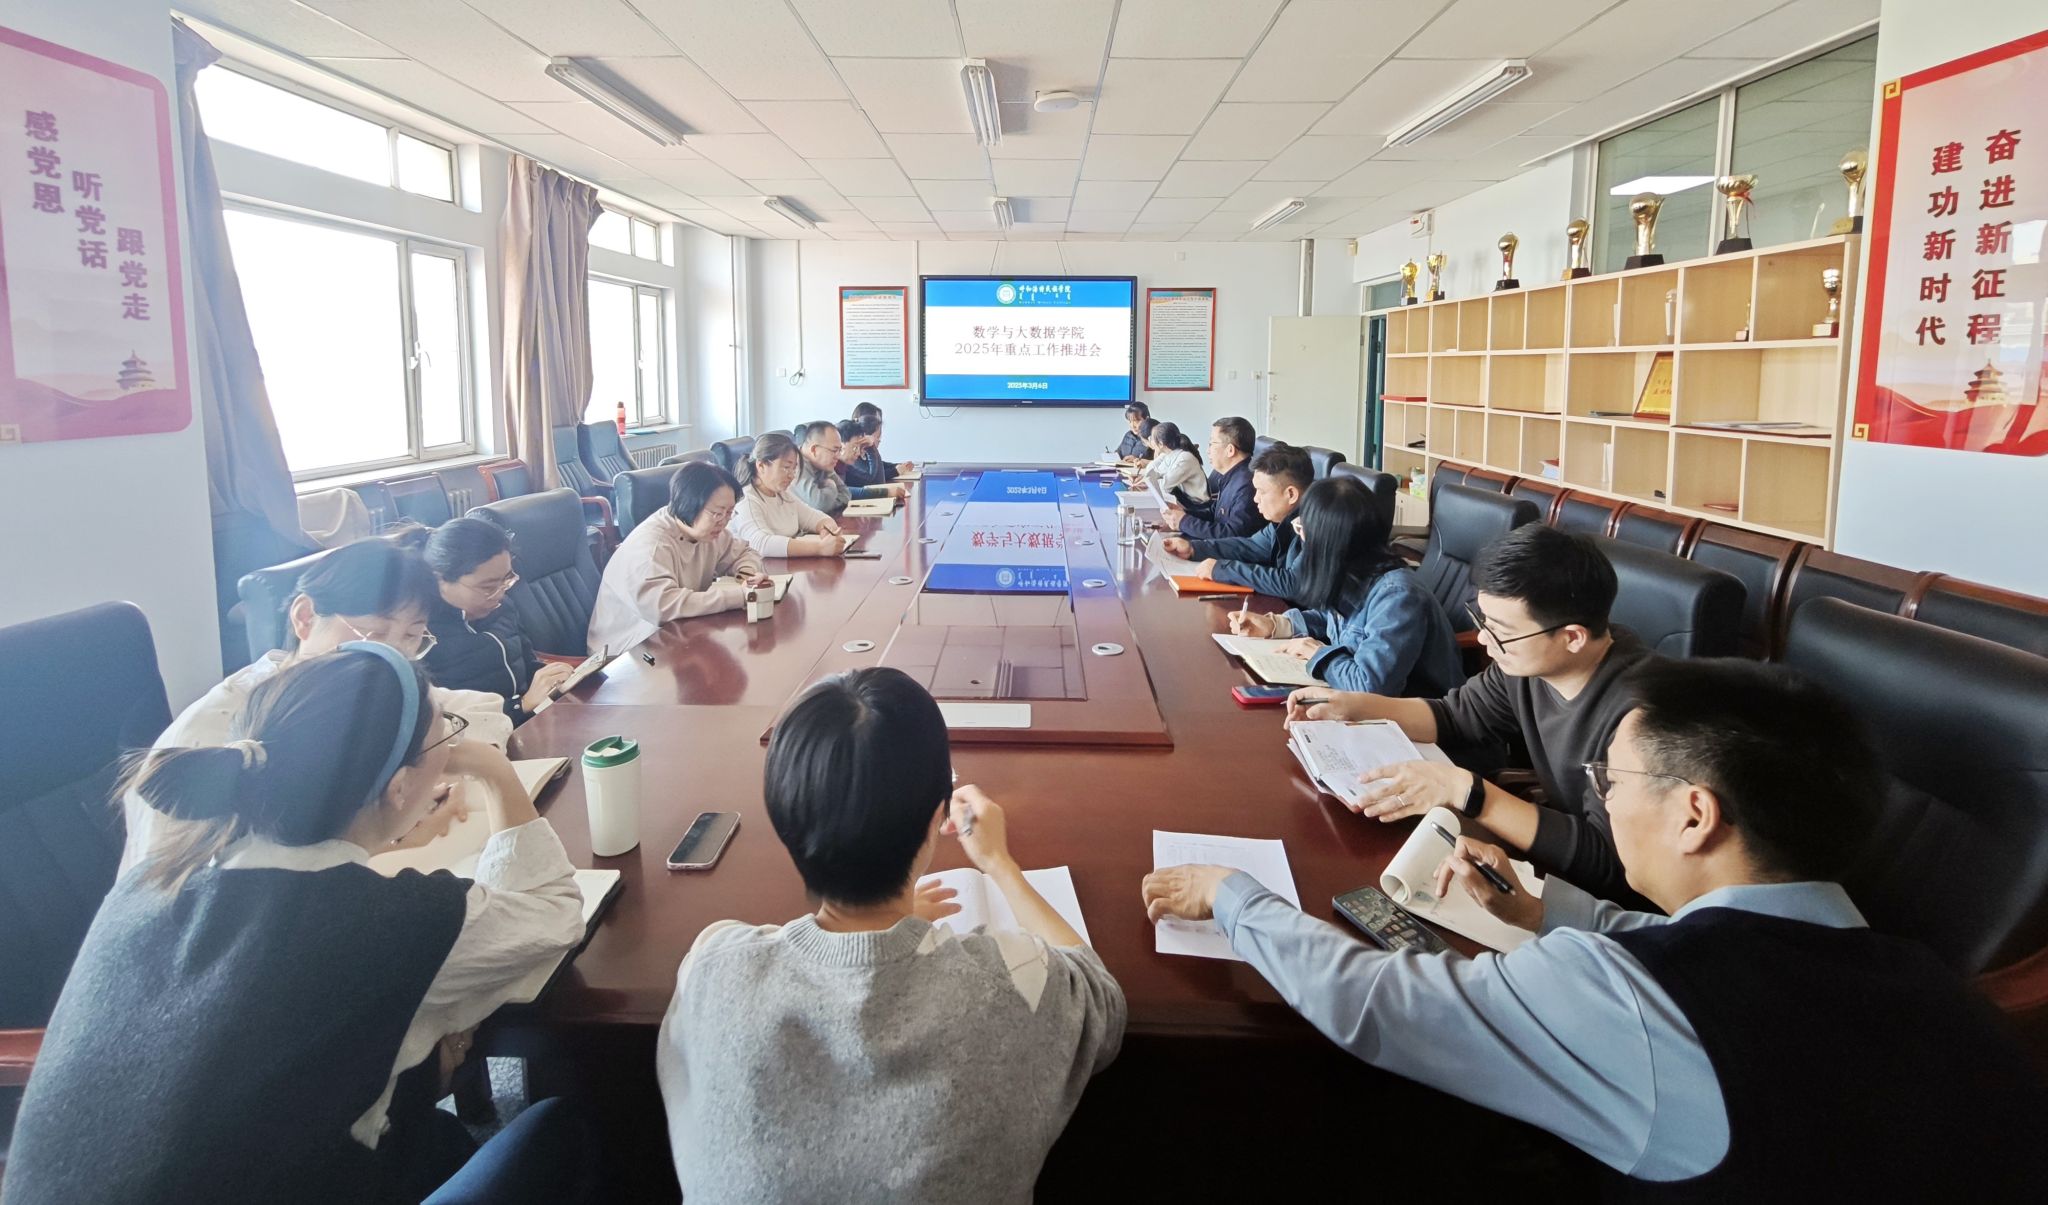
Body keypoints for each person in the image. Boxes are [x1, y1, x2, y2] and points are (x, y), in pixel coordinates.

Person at [1144, 659, 2048, 1197]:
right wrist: (1540, 909)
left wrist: (1233, 896)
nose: (1604, 801)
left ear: (1694, 815)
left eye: (1612, 781)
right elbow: (1711, 941)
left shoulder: (1628, 995)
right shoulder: (1940, 990)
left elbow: (1374, 1003)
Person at [8, 646, 588, 1205]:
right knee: (568, 1125)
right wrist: (492, 770)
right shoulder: (392, 921)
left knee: (432, 1129)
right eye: (447, 735)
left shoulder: (151, 881)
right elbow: (554, 913)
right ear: (398, 787)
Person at [656, 668, 1125, 1203]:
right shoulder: (1015, 986)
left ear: (783, 818)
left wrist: (870, 918)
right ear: (936, 820)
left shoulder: (711, 970)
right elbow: (1100, 997)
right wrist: (999, 863)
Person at [1286, 523, 1650, 906]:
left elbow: (1608, 861)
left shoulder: (1638, 719)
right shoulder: (1531, 664)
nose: (1483, 640)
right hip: (1549, 857)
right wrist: (1355, 705)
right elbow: (1455, 716)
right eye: (1483, 623)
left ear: (1572, 637)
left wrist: (1467, 791)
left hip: (1608, 908)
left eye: (1501, 631)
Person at [121, 536, 513, 874]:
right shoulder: (214, 730)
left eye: (412, 636)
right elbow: (179, 888)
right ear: (305, 617)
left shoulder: (369, 694)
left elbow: (482, 710)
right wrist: (384, 841)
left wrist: (435, 772)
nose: (393, 655)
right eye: (373, 634)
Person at [1225, 476, 1460, 697]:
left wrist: (1318, 654)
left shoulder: (1397, 596)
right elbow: (1332, 619)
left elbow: (1369, 687)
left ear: (1326, 543)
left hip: (1408, 718)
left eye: (1302, 530)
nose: (1302, 541)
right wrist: (1277, 625)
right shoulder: (1352, 574)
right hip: (1359, 707)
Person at [400, 519, 573, 725]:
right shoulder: (420, 636)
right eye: (488, 587)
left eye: (506, 580)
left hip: (531, 723)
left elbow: (526, 664)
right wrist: (520, 706)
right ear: (439, 580)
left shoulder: (502, 607)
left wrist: (555, 678)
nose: (499, 594)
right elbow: (443, 723)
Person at [587, 461, 771, 653]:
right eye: (718, 513)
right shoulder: (652, 546)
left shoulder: (706, 531)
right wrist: (740, 596)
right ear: (688, 504)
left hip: (673, 635)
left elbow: (745, 552)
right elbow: (664, 607)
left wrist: (747, 574)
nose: (724, 522)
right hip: (625, 650)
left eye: (729, 513)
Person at [1161, 442, 1312, 601]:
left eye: (1261, 492)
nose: (1256, 499)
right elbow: (1250, 546)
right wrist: (1193, 548)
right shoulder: (1282, 520)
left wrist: (1223, 569)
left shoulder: (1314, 526)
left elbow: (1293, 584)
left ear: (1291, 494)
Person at [730, 431, 853, 558]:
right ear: (761, 466)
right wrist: (819, 548)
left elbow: (814, 517)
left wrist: (827, 530)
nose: (792, 475)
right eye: (786, 468)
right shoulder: (746, 500)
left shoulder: (782, 494)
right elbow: (760, 543)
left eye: (794, 469)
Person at [1162, 416, 1260, 539]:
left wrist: (1184, 522)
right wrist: (1182, 515)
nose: (1208, 451)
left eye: (1211, 444)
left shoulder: (1248, 485)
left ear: (1230, 450)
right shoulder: (1231, 476)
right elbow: (1215, 514)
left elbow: (1232, 535)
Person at [791, 419, 904, 514]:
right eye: (835, 450)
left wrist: (830, 497)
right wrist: (831, 486)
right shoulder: (796, 464)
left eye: (839, 450)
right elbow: (820, 504)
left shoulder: (824, 462)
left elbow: (846, 494)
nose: (838, 455)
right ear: (814, 450)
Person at [1136, 420, 1208, 503]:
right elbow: (1157, 472)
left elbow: (1165, 486)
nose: (1150, 442)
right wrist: (1145, 479)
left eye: (1151, 438)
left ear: (1161, 444)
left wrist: (1148, 481)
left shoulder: (1184, 458)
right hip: (1184, 501)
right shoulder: (1170, 454)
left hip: (1197, 505)